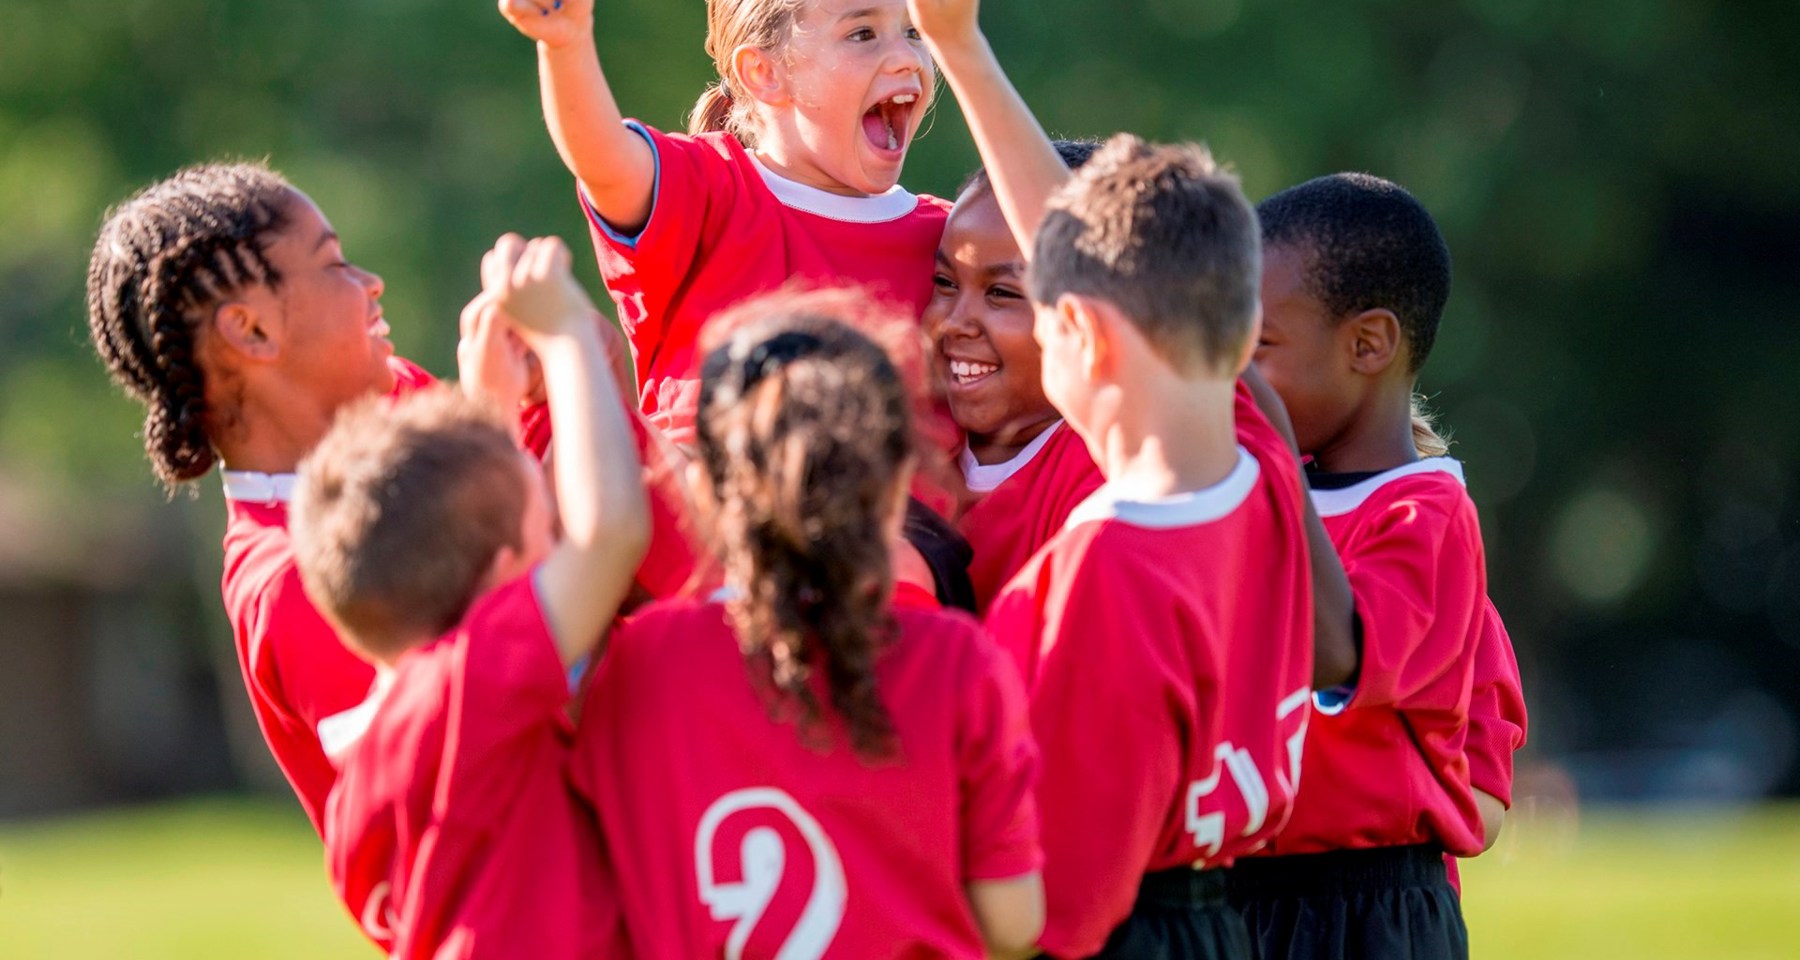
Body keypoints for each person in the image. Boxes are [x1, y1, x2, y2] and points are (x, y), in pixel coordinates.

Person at [569, 291, 1045, 959]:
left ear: (703, 491)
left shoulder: (646, 659)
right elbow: (1013, 920)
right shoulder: (958, 661)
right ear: (898, 481)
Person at [290, 234, 645, 958]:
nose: (562, 534)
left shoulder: (376, 754)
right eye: (550, 521)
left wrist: (491, 412)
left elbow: (471, 537)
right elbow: (611, 534)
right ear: (505, 572)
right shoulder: (465, 688)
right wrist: (570, 332)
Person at [84, 163, 435, 833]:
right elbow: (465, 773)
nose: (370, 283)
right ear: (251, 332)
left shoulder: (399, 399)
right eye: (334, 265)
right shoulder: (298, 585)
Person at [1228, 172, 1508, 960]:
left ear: (1369, 344)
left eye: (1258, 348)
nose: (1233, 377)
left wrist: (1270, 468)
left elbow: (1336, 647)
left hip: (1366, 907)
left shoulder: (1427, 512)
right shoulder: (1260, 484)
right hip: (1240, 891)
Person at [499, 0, 950, 446]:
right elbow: (604, 162)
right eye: (863, 34)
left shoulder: (957, 239)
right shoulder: (712, 188)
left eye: (913, 32)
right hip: (704, 513)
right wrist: (566, 44)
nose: (908, 58)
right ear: (764, 73)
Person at [926, 141, 1104, 612]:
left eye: (1002, 293)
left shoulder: (1107, 470)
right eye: (944, 283)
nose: (954, 321)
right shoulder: (909, 435)